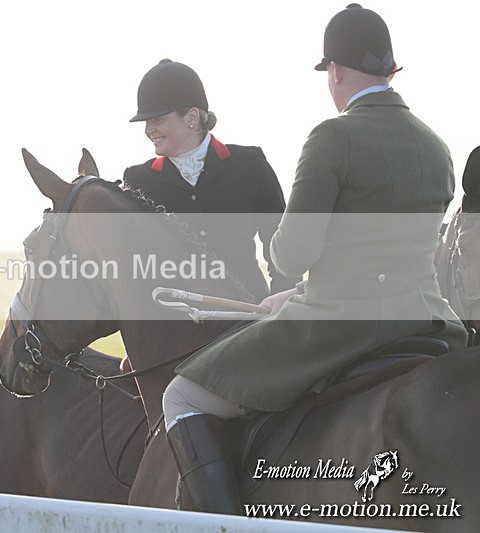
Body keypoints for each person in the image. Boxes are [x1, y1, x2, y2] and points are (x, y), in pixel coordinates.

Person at [160, 4, 467, 514]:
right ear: (390, 72)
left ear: (337, 71)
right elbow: (384, 254)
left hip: (343, 324)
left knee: (181, 395)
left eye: (329, 73)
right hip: (429, 319)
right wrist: (297, 293)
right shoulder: (436, 146)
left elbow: (293, 251)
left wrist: (286, 261)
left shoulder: (333, 136)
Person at [124, 59, 299, 302]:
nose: (147, 130)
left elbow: (281, 244)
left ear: (192, 117)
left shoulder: (250, 164)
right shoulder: (138, 181)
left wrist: (282, 302)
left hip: (251, 311)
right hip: (178, 317)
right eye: (146, 122)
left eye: (157, 119)